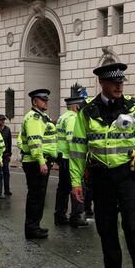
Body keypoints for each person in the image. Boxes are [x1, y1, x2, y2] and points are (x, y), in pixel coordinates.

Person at [70, 62, 135, 268]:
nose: (119, 85)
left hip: (128, 176)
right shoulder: (87, 112)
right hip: (101, 178)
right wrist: (75, 181)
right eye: (114, 82)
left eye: (121, 82)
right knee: (107, 231)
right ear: (102, 83)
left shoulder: (133, 109)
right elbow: (77, 149)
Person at [17, 90, 54, 239]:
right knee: (36, 196)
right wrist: (41, 161)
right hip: (36, 162)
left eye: (46, 100)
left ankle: (34, 226)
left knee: (38, 196)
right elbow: (34, 140)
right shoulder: (34, 118)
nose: (46, 102)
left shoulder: (41, 117)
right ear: (35, 102)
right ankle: (32, 229)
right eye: (43, 100)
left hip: (38, 161)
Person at [54, 97, 87, 228]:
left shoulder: (62, 117)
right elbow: (72, 139)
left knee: (63, 189)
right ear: (75, 107)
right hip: (70, 158)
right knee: (77, 186)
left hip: (63, 157)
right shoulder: (73, 118)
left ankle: (60, 216)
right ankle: (76, 216)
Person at [0, 114, 13, 199]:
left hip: (5, 154)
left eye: (3, 120)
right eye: (1, 120)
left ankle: (7, 190)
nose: (2, 121)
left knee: (6, 173)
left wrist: (9, 153)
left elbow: (9, 142)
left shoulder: (7, 129)